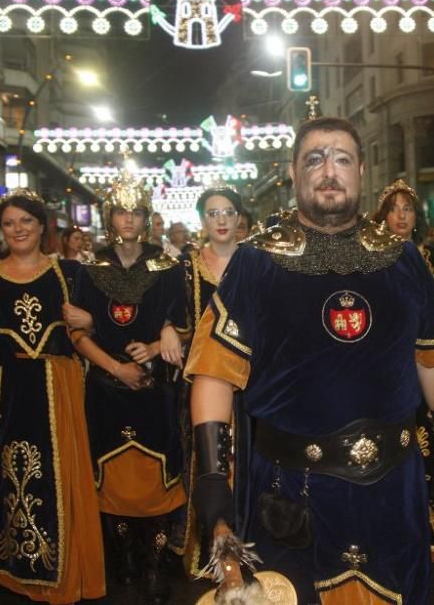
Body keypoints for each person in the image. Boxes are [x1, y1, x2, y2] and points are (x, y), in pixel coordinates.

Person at [185, 117, 434, 603]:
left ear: (360, 171)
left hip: (392, 486)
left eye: (340, 158)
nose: (328, 170)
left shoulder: (404, 258)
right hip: (292, 491)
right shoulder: (256, 262)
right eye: (314, 159)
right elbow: (215, 372)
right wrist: (212, 478)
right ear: (294, 174)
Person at [0, 189, 105, 602]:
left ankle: (62, 570)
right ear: (0, 230)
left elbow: (98, 327)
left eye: (26, 222)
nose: (18, 230)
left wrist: (89, 319)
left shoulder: (70, 273)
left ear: (41, 227)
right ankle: (13, 572)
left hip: (59, 388)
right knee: (4, 478)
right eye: (9, 223)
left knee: (61, 476)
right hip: (4, 388)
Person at [66, 174, 188, 603]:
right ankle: (126, 562)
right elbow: (77, 334)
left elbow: (182, 322)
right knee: (112, 482)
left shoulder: (168, 267)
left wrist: (156, 344)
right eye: (120, 211)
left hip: (155, 393)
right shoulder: (91, 267)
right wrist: (117, 369)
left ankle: (154, 566)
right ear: (108, 217)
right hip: (105, 389)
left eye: (136, 211)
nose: (128, 219)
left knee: (155, 481)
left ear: (147, 217)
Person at [372, 178, 434, 558]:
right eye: (394, 208)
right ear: (382, 216)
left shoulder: (433, 259)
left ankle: (432, 539)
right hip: (389, 371)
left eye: (408, 208)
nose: (401, 215)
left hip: (428, 369)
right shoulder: (371, 259)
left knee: (432, 450)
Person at [179, 186, 244, 577]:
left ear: (239, 219)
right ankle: (215, 547)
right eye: (213, 213)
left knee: (246, 460)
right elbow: (172, 317)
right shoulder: (185, 268)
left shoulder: (256, 262)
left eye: (228, 212)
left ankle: (247, 544)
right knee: (209, 460)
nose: (221, 219)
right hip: (203, 377)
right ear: (203, 220)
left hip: (249, 378)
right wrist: (170, 332)